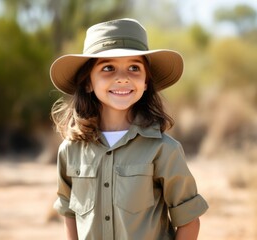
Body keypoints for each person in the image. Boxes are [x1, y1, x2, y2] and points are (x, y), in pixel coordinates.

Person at [50, 18, 208, 240]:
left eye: (134, 67)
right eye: (108, 67)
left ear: (145, 82)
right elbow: (69, 212)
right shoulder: (70, 150)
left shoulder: (163, 150)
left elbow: (189, 220)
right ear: (88, 82)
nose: (122, 78)